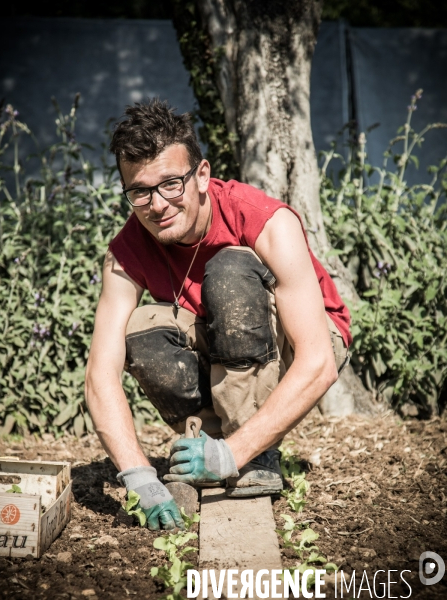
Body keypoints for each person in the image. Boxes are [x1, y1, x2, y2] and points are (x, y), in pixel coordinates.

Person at [85, 99, 351, 531]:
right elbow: (100, 375)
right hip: (219, 338)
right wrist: (139, 479)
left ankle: (246, 450)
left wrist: (236, 451)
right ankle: (207, 444)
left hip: (304, 340)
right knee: (137, 328)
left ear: (202, 175)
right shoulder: (125, 253)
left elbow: (319, 360)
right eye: (140, 191)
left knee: (230, 269)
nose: (157, 204)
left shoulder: (265, 220)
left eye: (172, 183)